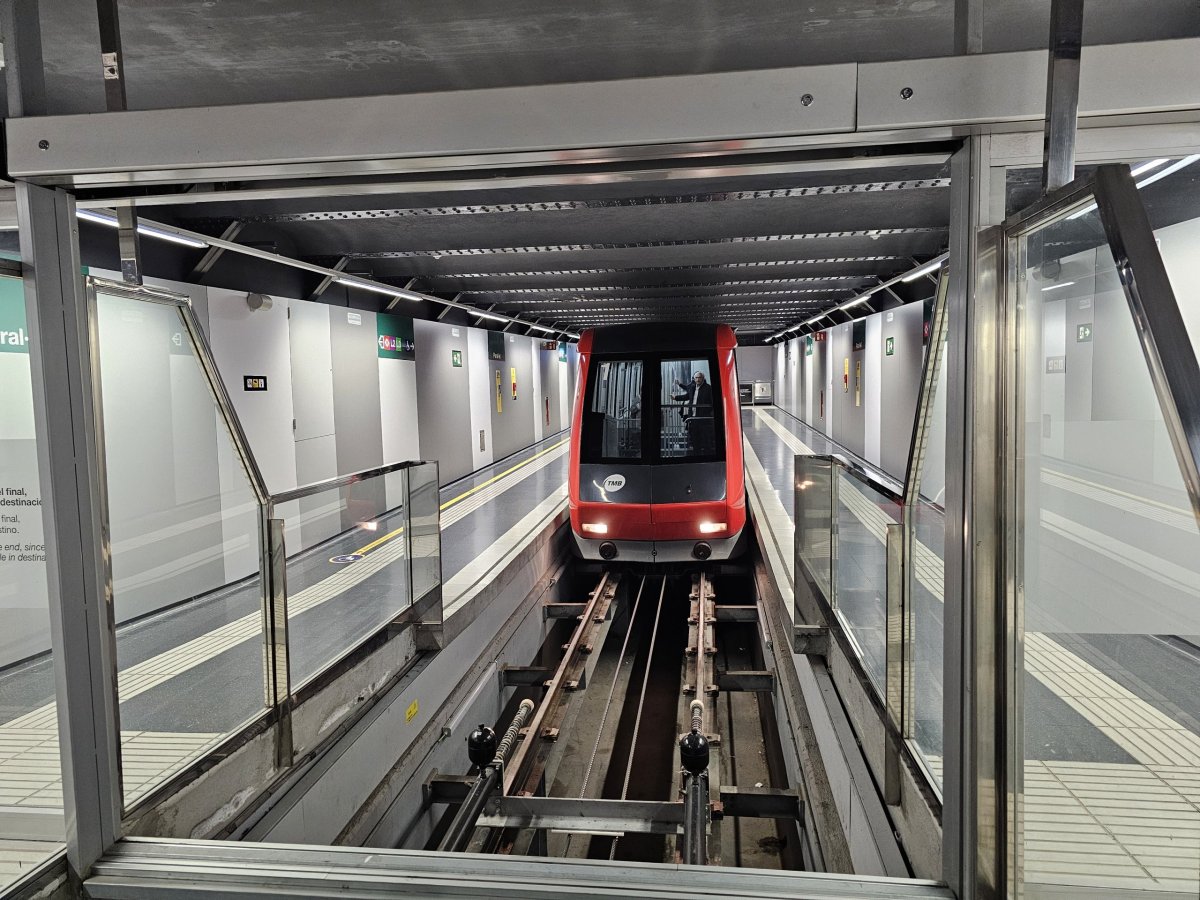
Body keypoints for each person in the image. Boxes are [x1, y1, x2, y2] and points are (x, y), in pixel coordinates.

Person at [672, 371, 715, 454]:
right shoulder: (692, 388)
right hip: (693, 419)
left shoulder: (708, 388)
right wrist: (676, 398)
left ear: (703, 378)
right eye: (696, 378)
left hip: (703, 419)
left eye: (699, 378)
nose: (698, 379)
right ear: (694, 379)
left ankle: (707, 458)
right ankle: (697, 456)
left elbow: (712, 402)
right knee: (695, 440)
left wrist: (708, 413)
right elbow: (687, 396)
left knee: (706, 441)